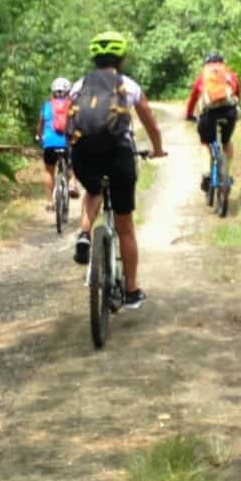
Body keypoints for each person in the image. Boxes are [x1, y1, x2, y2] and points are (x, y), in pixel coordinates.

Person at [68, 31, 167, 310]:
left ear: (94, 58)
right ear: (121, 58)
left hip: (84, 156)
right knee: (125, 226)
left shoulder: (79, 85)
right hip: (118, 155)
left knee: (93, 191)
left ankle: (85, 235)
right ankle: (132, 291)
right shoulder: (128, 85)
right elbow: (150, 123)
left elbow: (67, 120)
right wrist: (157, 149)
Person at [184, 52, 241, 192]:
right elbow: (237, 94)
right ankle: (226, 172)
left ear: (206, 63)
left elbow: (193, 98)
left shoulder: (203, 75)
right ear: (222, 62)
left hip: (209, 114)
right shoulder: (229, 74)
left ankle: (206, 173)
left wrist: (189, 114)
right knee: (226, 142)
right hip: (229, 112)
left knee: (205, 142)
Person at [36, 77, 78, 211]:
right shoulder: (72, 105)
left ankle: (49, 202)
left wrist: (39, 136)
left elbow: (40, 125)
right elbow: (77, 123)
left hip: (49, 142)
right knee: (73, 163)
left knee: (49, 171)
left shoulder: (46, 106)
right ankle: (72, 184)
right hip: (66, 142)